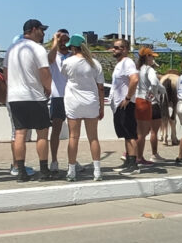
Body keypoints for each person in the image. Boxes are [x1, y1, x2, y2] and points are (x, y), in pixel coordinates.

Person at [5, 19, 54, 182]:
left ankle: (20, 171)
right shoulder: (37, 49)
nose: (43, 33)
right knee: (42, 132)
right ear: (33, 29)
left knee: (20, 133)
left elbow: (6, 72)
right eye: (41, 30)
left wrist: (12, 87)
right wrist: (48, 88)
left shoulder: (11, 49)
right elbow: (45, 72)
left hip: (14, 97)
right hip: (34, 96)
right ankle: (44, 170)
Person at [60, 34, 105, 182]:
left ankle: (71, 171)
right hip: (91, 102)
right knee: (93, 137)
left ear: (73, 47)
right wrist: (101, 107)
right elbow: (101, 88)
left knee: (73, 137)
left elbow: (65, 77)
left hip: (73, 102)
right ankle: (97, 171)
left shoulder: (68, 62)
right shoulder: (95, 63)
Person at [109, 38, 140, 175]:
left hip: (126, 104)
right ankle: (128, 162)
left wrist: (127, 98)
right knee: (125, 135)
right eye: (114, 47)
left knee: (130, 134)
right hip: (118, 105)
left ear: (125, 49)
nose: (114, 50)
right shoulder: (119, 64)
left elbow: (134, 79)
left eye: (118, 47)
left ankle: (134, 165)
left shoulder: (128, 62)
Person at [133, 47, 163, 166]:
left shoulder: (137, 69)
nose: (153, 59)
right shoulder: (148, 69)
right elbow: (155, 82)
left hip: (135, 100)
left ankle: (133, 155)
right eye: (152, 56)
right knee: (143, 132)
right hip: (144, 101)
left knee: (137, 131)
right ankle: (139, 157)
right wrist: (153, 94)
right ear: (147, 57)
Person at [46, 28, 71, 172]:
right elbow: (49, 59)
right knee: (56, 129)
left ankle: (72, 161)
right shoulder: (53, 56)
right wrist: (55, 39)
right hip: (57, 97)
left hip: (72, 97)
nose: (63, 43)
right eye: (60, 40)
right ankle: (54, 160)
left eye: (65, 40)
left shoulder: (73, 55)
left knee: (74, 132)